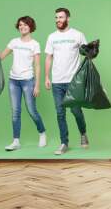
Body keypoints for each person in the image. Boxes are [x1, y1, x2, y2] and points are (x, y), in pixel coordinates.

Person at [0, 16, 46, 151]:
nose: (22, 27)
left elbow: (37, 66)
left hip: (28, 81)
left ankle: (42, 132)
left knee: (32, 110)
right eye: (20, 25)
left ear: (30, 27)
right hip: (13, 81)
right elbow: (0, 57)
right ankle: (16, 141)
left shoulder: (35, 44)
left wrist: (37, 85)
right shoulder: (14, 42)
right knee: (15, 112)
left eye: (25, 25)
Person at [44, 8, 89, 155]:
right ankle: (64, 143)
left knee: (76, 110)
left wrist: (92, 50)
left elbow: (86, 53)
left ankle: (83, 133)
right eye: (56, 17)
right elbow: (49, 57)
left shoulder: (78, 35)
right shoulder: (52, 37)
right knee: (60, 113)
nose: (58, 20)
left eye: (61, 17)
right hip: (57, 81)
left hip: (73, 81)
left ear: (68, 18)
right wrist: (46, 77)